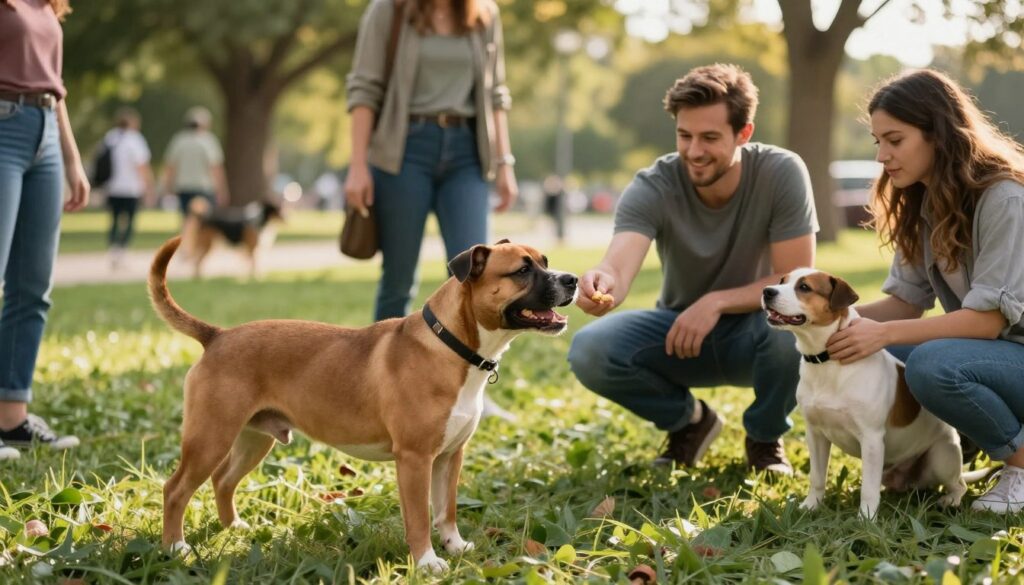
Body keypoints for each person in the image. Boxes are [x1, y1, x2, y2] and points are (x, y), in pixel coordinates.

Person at [567, 64, 818, 474]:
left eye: (709, 137)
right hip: (680, 334)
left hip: (760, 331)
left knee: (793, 327)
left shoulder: (781, 171)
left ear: (744, 133)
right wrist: (604, 280)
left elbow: (795, 278)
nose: (694, 151)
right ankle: (691, 423)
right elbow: (620, 261)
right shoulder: (654, 184)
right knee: (590, 349)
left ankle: (764, 437)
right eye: (685, 135)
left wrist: (716, 302)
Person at [826, 69, 1024, 513]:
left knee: (930, 363)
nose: (882, 155)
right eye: (878, 141)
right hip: (993, 360)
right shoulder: (923, 201)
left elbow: (987, 323)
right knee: (891, 354)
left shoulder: (1004, 198)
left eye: (894, 140)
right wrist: (819, 323)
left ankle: (1021, 466)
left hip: (1011, 355)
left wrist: (883, 335)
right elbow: (905, 304)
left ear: (938, 133)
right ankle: (924, 452)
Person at [344, 0, 518, 322]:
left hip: (468, 152)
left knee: (472, 275)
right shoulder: (389, 10)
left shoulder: (483, 13)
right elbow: (364, 89)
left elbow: (495, 93)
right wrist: (357, 166)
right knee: (399, 277)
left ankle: (466, 370)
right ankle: (381, 370)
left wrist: (504, 163)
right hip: (404, 151)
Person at [0, 0, 90, 459]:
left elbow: (56, 89)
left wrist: (72, 159)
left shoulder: (47, 4)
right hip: (3, 127)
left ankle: (12, 419)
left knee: (32, 286)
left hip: (46, 134)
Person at [100, 107, 154, 268]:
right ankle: (122, 250)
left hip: (112, 188)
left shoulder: (110, 138)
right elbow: (142, 166)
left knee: (115, 219)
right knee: (129, 220)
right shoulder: (135, 139)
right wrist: (149, 187)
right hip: (131, 189)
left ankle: (113, 248)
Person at [161, 106, 229, 221]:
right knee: (205, 222)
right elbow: (216, 168)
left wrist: (167, 187)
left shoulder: (179, 140)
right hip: (204, 188)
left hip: (183, 187)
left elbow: (170, 167)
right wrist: (222, 190)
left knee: (187, 221)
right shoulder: (208, 141)